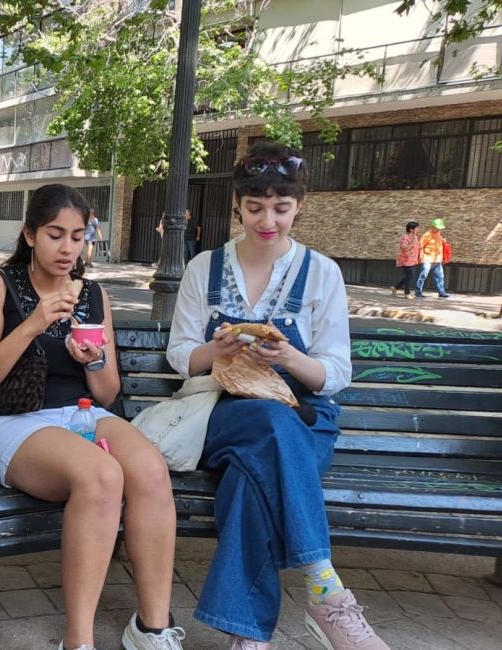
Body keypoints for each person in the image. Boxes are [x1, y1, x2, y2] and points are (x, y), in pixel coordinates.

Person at [166, 141, 388, 650]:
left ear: (299, 206)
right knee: (265, 422)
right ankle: (326, 592)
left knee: (251, 479)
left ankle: (248, 637)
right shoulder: (204, 267)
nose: (268, 220)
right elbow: (181, 355)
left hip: (305, 415)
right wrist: (214, 351)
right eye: (255, 207)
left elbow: (335, 372)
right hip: (224, 411)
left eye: (281, 208)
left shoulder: (322, 273)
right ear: (238, 206)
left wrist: (287, 359)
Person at [0, 184, 185, 650]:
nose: (67, 248)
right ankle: (78, 642)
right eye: (54, 235)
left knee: (150, 470)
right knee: (102, 476)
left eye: (77, 236)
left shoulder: (93, 295)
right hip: (12, 421)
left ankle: (153, 629)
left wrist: (93, 361)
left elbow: (107, 391)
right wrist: (33, 325)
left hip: (80, 413)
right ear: (29, 235)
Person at [416, 218, 450, 299]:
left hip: (437, 259)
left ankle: (441, 293)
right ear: (433, 226)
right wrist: (420, 256)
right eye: (438, 228)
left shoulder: (439, 234)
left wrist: (444, 242)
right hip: (427, 259)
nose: (439, 229)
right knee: (423, 276)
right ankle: (418, 292)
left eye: (440, 228)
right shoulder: (426, 235)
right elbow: (420, 246)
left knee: (440, 277)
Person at [392, 221, 420, 299]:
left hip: (413, 259)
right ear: (411, 229)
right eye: (417, 228)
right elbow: (405, 249)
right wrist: (413, 243)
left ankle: (395, 287)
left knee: (409, 276)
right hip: (405, 260)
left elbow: (417, 247)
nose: (418, 229)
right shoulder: (404, 237)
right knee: (410, 276)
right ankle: (407, 293)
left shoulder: (415, 237)